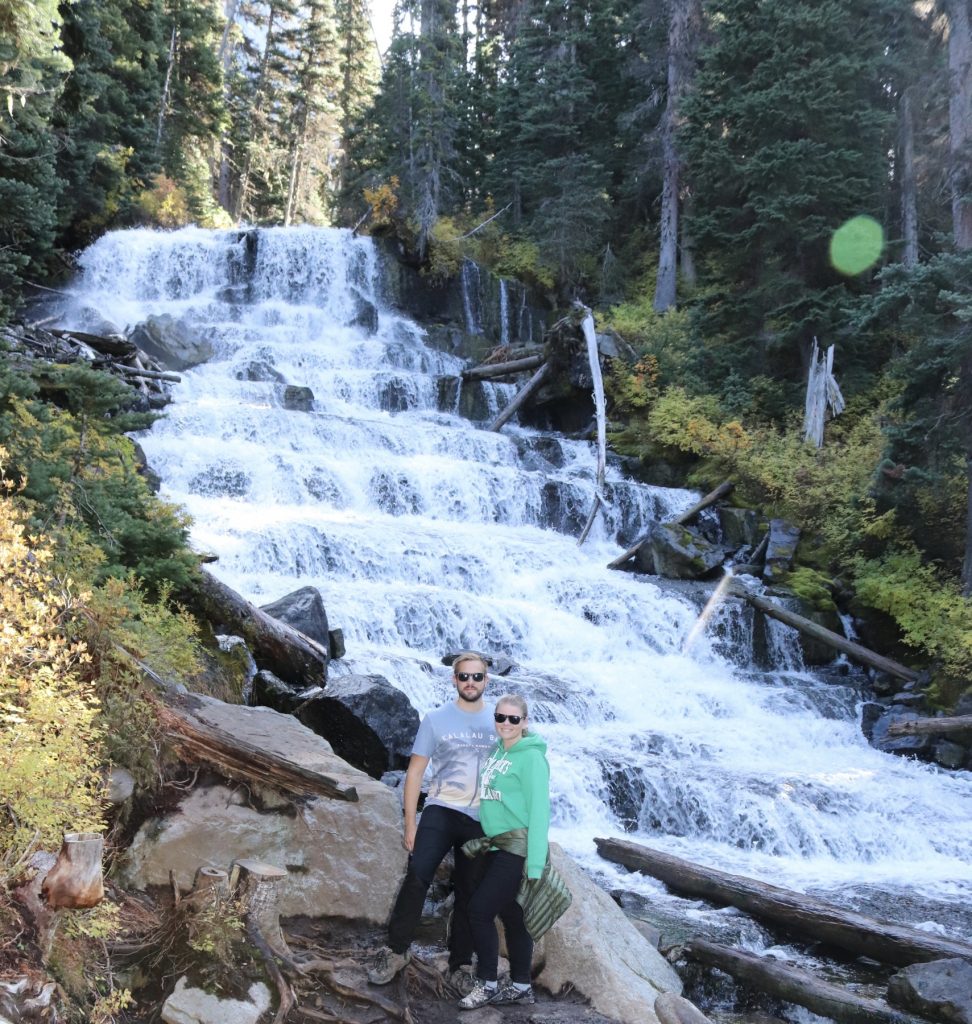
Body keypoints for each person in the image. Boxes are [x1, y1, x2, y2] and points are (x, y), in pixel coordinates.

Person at [367, 651, 496, 988]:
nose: (470, 682)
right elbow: (414, 773)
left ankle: (460, 965)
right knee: (418, 875)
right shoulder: (436, 719)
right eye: (464, 677)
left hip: (482, 817)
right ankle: (396, 951)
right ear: (454, 680)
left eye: (477, 677)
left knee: (470, 890)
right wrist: (411, 823)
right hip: (440, 809)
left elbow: (516, 774)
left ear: (486, 680)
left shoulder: (500, 722)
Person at [458, 693, 550, 1010]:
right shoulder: (497, 750)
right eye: (500, 718)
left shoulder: (532, 758)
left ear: (524, 722)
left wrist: (535, 865)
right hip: (495, 845)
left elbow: (540, 812)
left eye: (513, 719)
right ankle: (522, 985)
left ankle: (487, 984)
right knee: (513, 915)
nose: (506, 724)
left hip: (516, 848)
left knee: (479, 911)